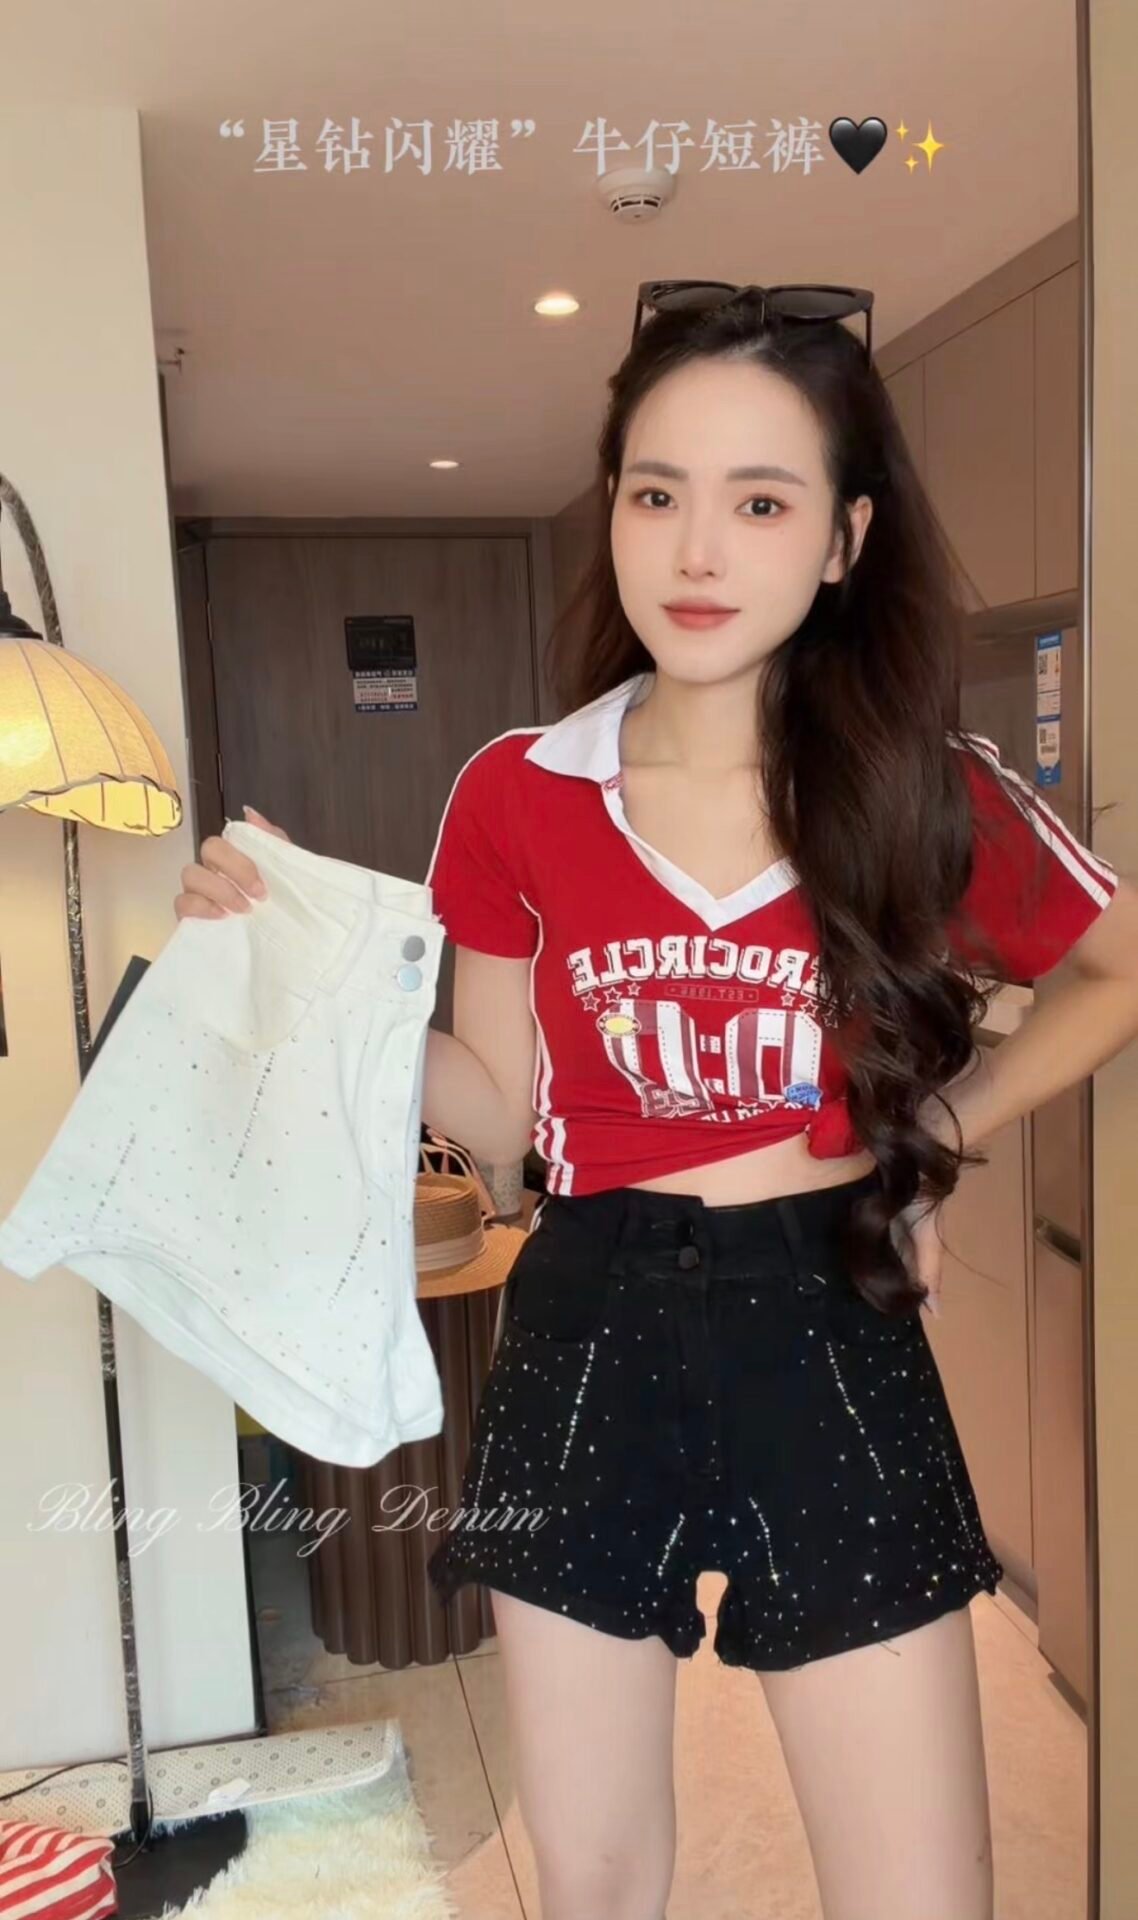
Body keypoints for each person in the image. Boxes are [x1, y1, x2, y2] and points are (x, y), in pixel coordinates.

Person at [174, 283, 1138, 1920]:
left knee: (920, 1893)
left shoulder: (924, 793)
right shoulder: (518, 791)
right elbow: (497, 1117)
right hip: (587, 1321)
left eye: (758, 502)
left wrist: (936, 1129)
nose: (696, 551)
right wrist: (305, 978)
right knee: (597, 1880)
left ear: (841, 540)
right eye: (654, 493)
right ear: (611, 509)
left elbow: (1113, 973)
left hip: (826, 1325)